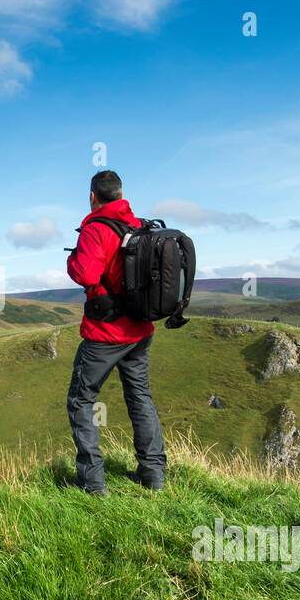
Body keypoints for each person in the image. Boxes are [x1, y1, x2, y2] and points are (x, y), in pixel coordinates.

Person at [66, 169, 166, 496]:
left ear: (92, 196)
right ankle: (153, 476)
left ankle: (93, 485)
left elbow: (85, 273)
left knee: (82, 400)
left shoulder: (97, 228)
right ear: (121, 195)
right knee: (140, 398)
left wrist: (71, 262)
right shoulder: (138, 226)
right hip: (140, 330)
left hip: (105, 334)